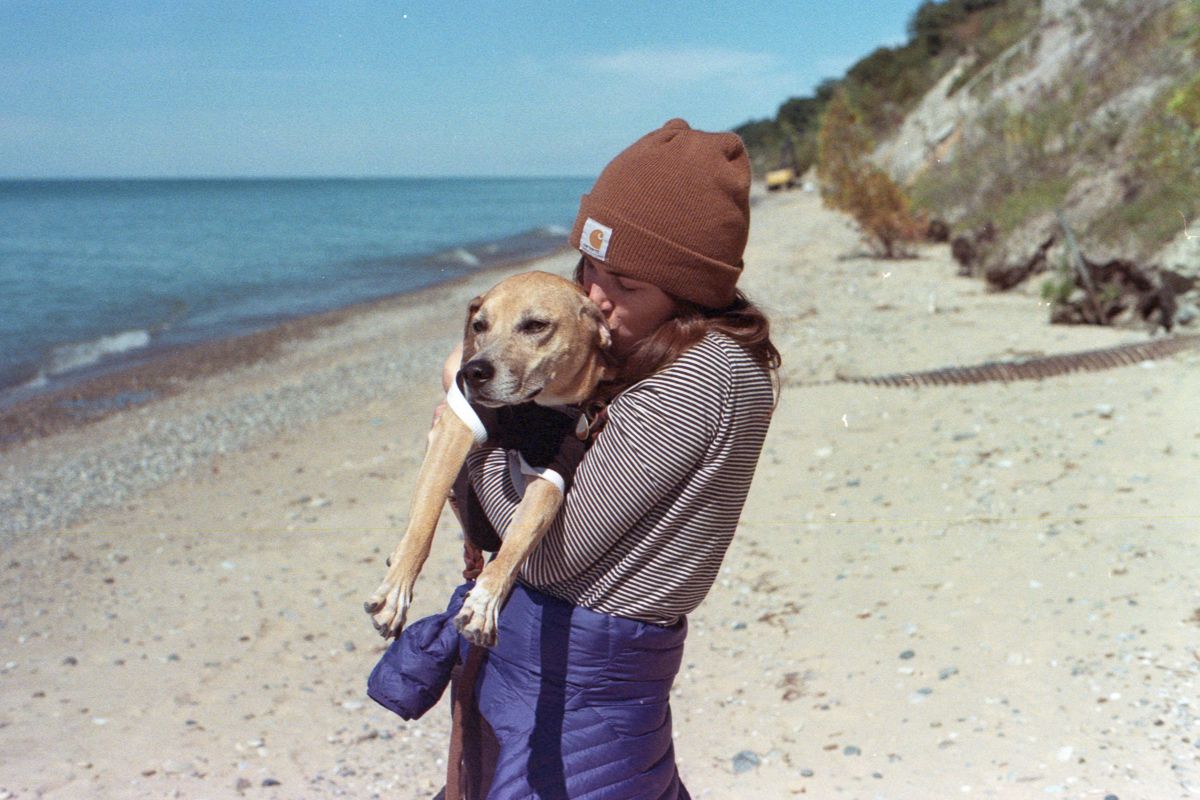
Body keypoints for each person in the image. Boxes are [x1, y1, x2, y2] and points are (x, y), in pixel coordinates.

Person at [456, 118, 779, 799]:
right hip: (566, 681)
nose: (594, 297)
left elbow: (549, 556)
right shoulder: (651, 362)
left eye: (625, 285)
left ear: (689, 293)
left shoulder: (701, 379)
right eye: (590, 269)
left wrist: (473, 435)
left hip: (583, 684)